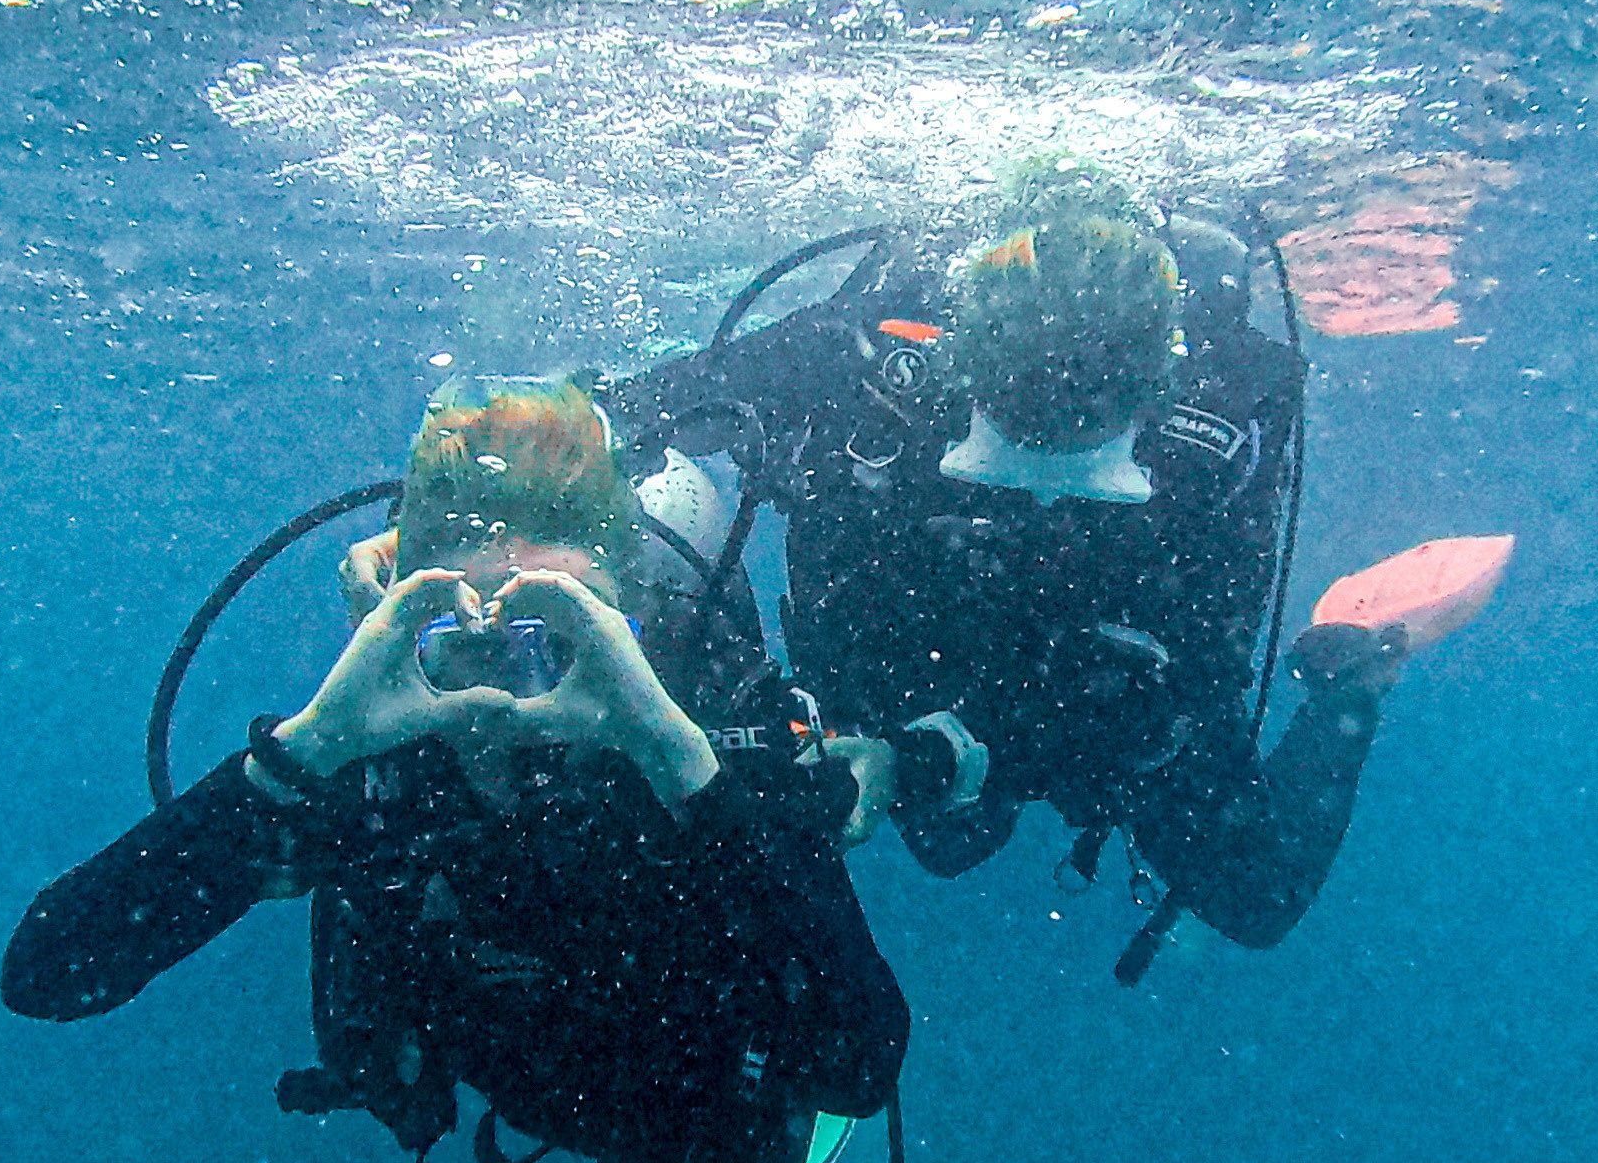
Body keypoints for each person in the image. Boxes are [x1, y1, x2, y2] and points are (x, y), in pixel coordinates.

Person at [1, 379, 909, 1163]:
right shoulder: (381, 758)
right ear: (409, 624)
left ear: (628, 620)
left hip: (682, 1103)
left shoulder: (697, 746)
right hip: (512, 1063)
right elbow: (47, 971)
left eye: (557, 643)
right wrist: (306, 753)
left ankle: (776, 1154)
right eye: (466, 648)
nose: (504, 704)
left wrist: (685, 769)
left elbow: (858, 1066)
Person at [601, 159, 1451, 982]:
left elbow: (1204, 665)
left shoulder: (1227, 410)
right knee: (945, 845)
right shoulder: (856, 354)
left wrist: (942, 755)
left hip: (1114, 696)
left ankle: (1354, 681)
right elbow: (627, 413)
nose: (1044, 491)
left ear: (1163, 387)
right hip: (913, 652)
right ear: (951, 352)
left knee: (1255, 892)